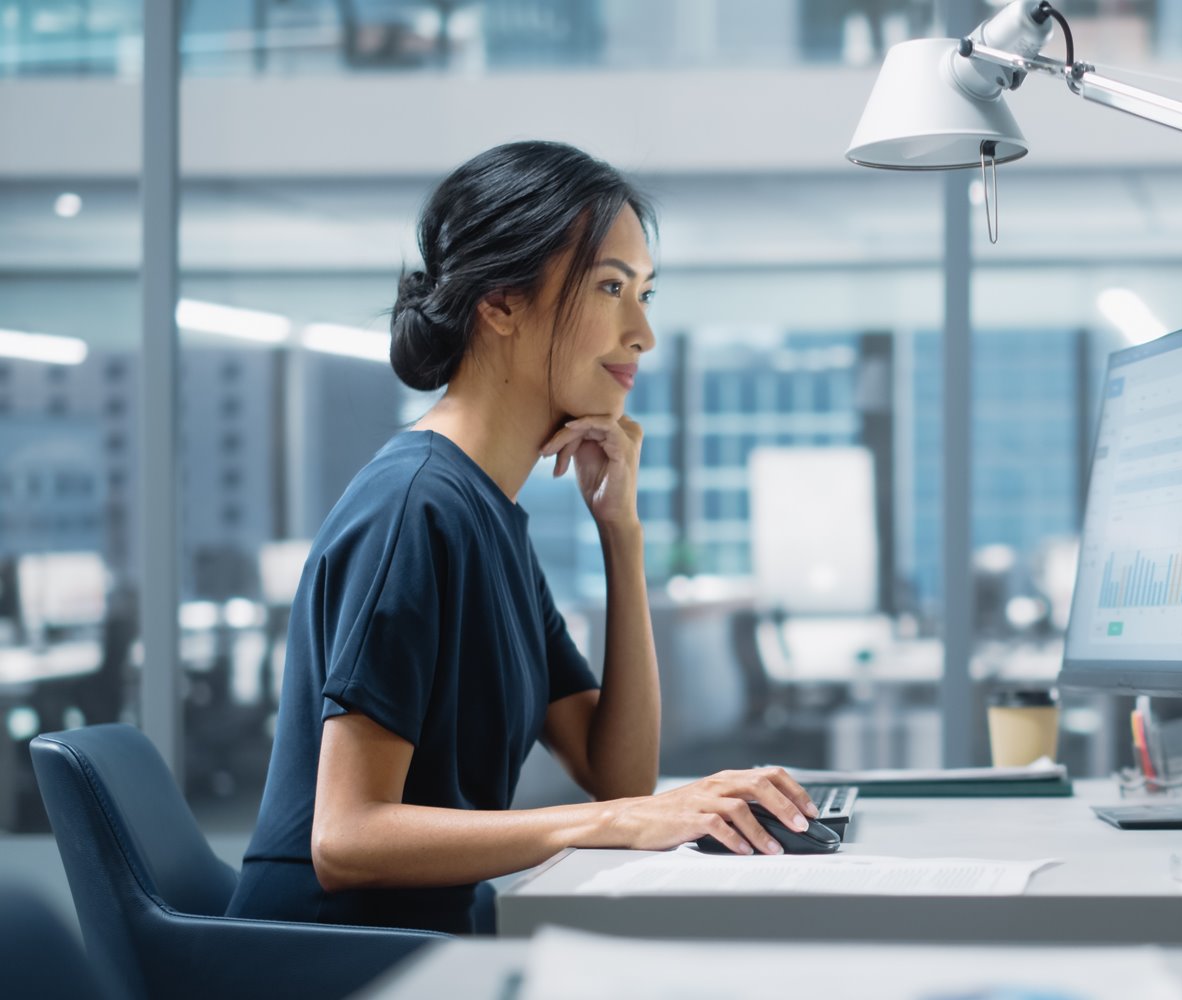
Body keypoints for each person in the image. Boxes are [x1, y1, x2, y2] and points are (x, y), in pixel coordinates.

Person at [227, 141, 819, 935]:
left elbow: (619, 772)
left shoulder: (488, 515)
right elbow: (346, 836)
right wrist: (606, 825)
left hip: (433, 941)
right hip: (334, 962)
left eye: (644, 294)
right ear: (501, 304)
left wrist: (622, 533)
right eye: (612, 288)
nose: (642, 332)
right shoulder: (414, 509)